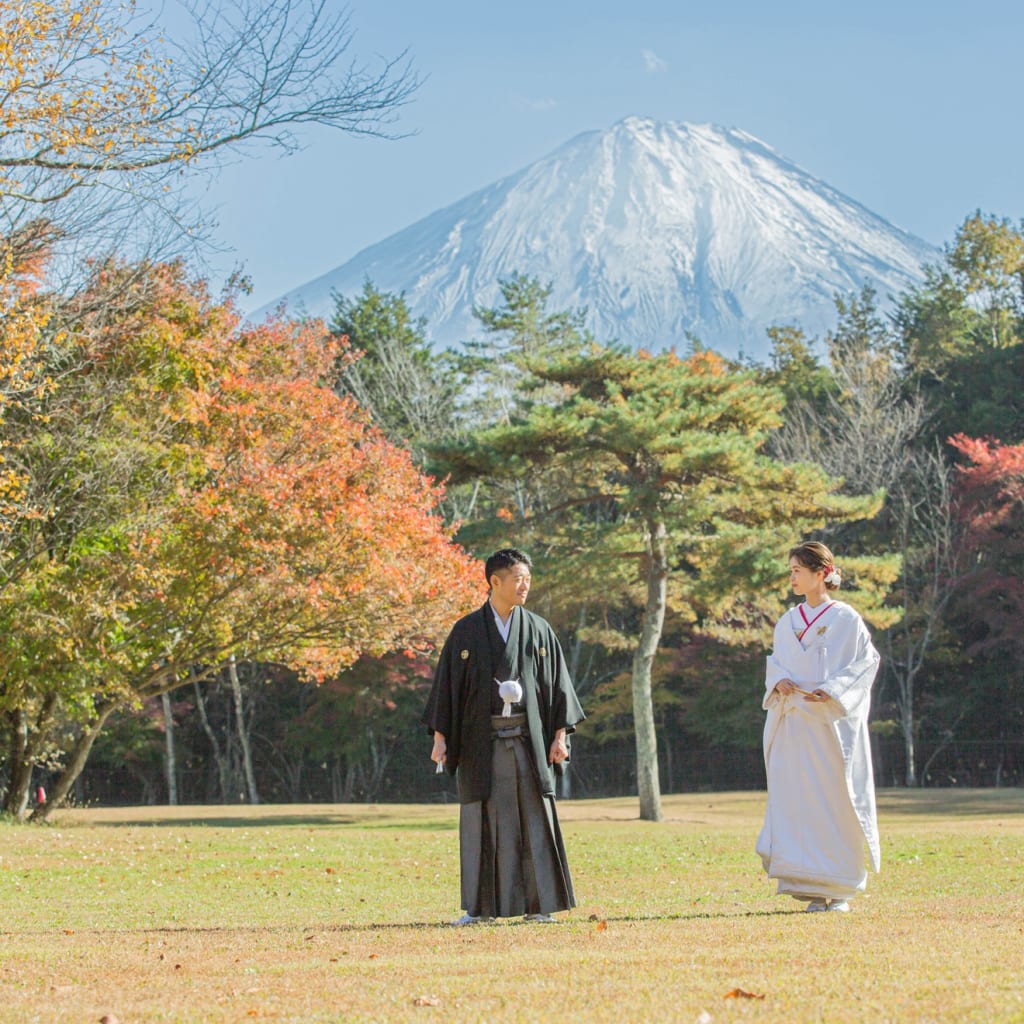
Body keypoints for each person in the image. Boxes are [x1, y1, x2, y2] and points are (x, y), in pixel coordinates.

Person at [422, 548, 584, 925]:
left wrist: (560, 738)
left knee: (534, 819)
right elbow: (447, 689)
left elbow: (558, 689)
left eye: (527, 577)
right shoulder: (466, 631)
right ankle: (480, 909)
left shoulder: (540, 630)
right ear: (495, 581)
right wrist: (440, 739)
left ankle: (539, 905)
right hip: (482, 745)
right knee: (483, 821)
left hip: (530, 744)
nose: (524, 584)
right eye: (517, 578)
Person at [755, 541, 881, 913]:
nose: (791, 576)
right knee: (800, 804)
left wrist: (832, 690)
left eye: (798, 570)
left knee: (835, 801)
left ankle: (839, 888)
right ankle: (810, 886)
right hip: (794, 726)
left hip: (829, 726)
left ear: (822, 573)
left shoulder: (846, 619)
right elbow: (777, 663)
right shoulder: (786, 622)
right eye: (790, 570)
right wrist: (778, 681)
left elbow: (864, 664)